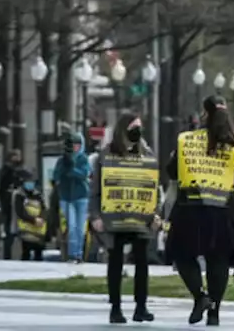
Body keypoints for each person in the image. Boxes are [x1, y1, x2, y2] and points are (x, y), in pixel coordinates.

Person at [166, 95, 234, 326]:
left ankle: (200, 296)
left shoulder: (186, 140)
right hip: (224, 210)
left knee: (182, 254)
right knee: (219, 260)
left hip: (190, 208)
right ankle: (214, 310)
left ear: (204, 114)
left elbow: (172, 171)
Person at [91, 111, 159, 324]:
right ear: (123, 129)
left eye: (140, 127)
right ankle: (116, 308)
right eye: (134, 127)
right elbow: (95, 190)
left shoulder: (146, 154)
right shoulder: (106, 155)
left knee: (142, 262)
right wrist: (95, 216)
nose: (138, 131)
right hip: (115, 217)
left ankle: (141, 307)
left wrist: (155, 214)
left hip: (140, 217)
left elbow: (153, 187)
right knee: (116, 262)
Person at [52, 133, 92, 263]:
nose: (75, 147)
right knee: (71, 226)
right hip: (66, 198)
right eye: (72, 145)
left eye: (77, 144)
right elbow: (56, 176)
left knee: (80, 228)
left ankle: (79, 254)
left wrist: (72, 170)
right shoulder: (62, 160)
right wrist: (66, 167)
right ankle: (72, 254)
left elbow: (85, 173)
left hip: (81, 197)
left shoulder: (83, 159)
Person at [12, 176, 49, 261]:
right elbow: (20, 212)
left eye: (31, 182)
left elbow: (44, 209)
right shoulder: (19, 195)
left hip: (38, 229)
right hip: (26, 229)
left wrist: (41, 218)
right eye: (28, 182)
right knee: (26, 253)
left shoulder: (38, 195)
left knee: (39, 254)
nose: (30, 184)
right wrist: (33, 220)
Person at [0, 150, 26, 258]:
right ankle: (8, 254)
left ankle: (14, 254)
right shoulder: (8, 171)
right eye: (17, 156)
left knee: (15, 231)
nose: (19, 158)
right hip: (10, 206)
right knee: (10, 231)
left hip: (15, 206)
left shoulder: (16, 170)